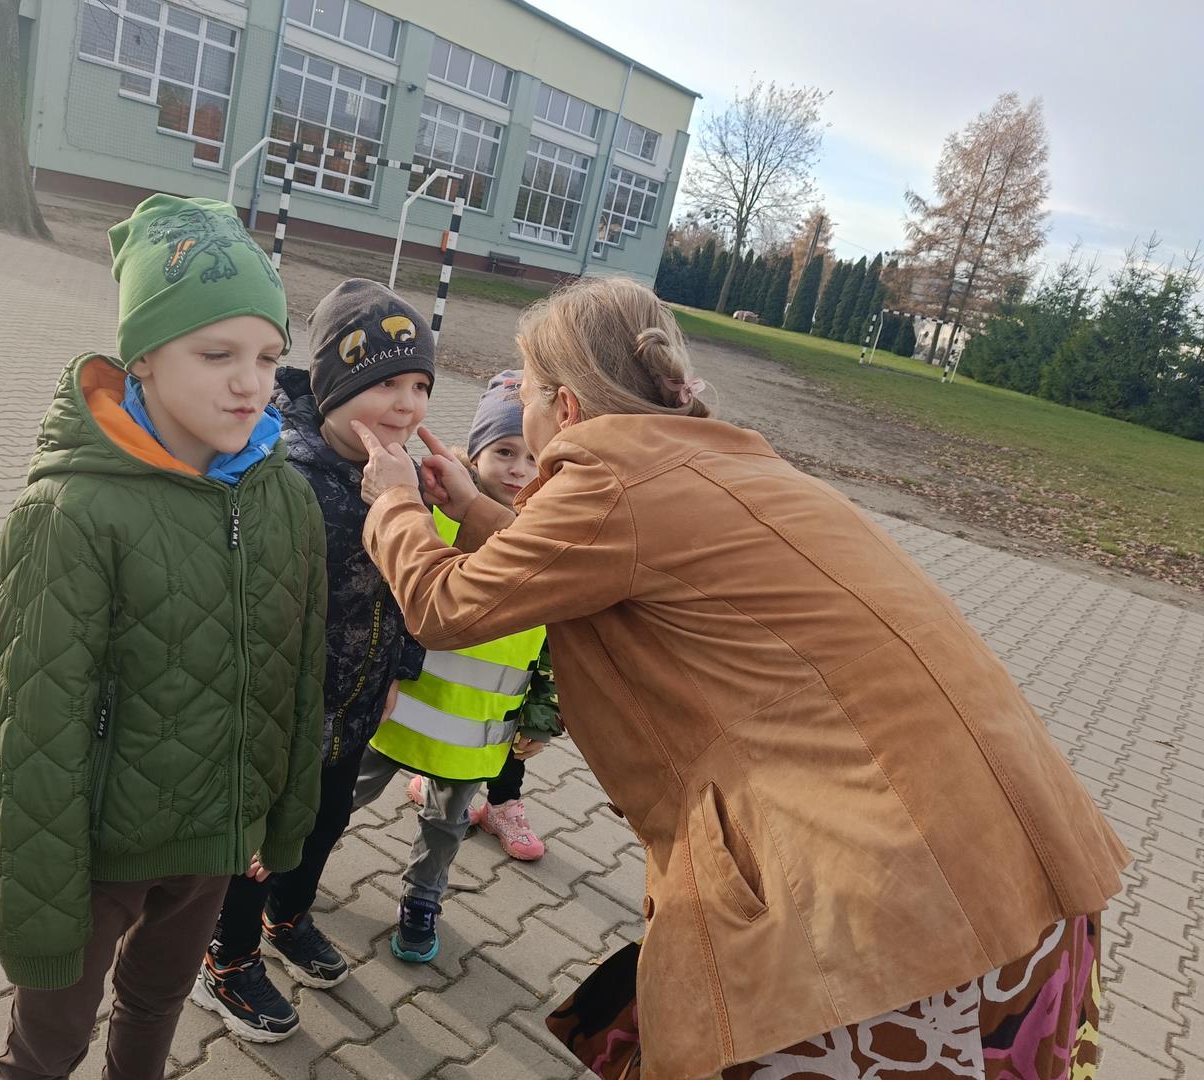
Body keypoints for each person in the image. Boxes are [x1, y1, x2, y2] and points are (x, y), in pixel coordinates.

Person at [351, 275, 1129, 1080]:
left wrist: (396, 503)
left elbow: (445, 606)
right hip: (1014, 870)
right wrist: (476, 511)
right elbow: (601, 562)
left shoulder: (606, 480)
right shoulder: (729, 460)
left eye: (528, 394)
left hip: (894, 920)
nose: (522, 413)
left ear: (568, 407)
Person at [0, 194, 326, 1080]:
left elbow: (297, 671)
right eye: (217, 354)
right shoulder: (73, 510)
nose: (251, 383)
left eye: (268, 356)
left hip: (214, 837)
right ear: (143, 354)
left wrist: (276, 816)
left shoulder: (283, 496)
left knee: (156, 1003)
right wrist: (40, 903)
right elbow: (35, 727)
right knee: (48, 1043)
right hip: (97, 849)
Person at [193, 278, 433, 1043]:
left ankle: (286, 918)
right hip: (281, 716)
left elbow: (414, 582)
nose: (406, 405)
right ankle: (224, 957)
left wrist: (400, 671)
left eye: (420, 387)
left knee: (325, 820)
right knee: (261, 844)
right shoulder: (287, 476)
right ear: (332, 385)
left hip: (355, 703)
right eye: (386, 384)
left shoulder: (401, 475)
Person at [353, 370, 560, 964]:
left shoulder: (549, 540)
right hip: (397, 712)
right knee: (346, 792)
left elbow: (556, 646)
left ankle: (422, 900)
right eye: (504, 451)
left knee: (445, 826)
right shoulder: (434, 513)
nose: (518, 469)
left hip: (476, 730)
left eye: (532, 457)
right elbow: (392, 595)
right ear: (474, 451)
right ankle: (293, 860)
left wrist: (542, 716)